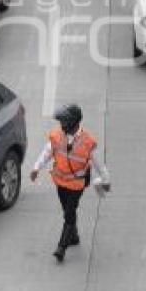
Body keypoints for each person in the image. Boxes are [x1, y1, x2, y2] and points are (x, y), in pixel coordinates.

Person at [30, 104, 110, 262]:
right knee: (68, 210)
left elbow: (99, 164)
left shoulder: (88, 142)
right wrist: (36, 168)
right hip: (60, 182)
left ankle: (61, 247)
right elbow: (47, 153)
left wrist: (106, 179)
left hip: (77, 185)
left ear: (74, 123)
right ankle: (74, 236)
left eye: (64, 122)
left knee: (69, 212)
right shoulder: (57, 136)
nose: (61, 125)